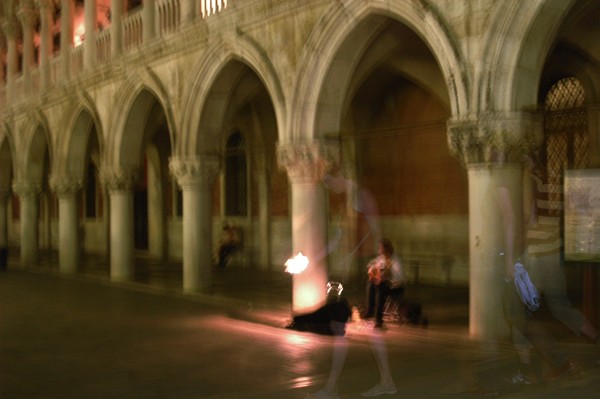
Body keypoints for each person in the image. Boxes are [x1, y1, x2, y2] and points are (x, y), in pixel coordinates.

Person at [362, 238, 405, 328]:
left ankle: (378, 319)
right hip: (385, 284)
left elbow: (399, 278)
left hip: (396, 287)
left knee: (380, 289)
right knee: (370, 283)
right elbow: (372, 263)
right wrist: (372, 268)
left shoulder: (395, 260)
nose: (379, 251)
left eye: (381, 248)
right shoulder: (381, 258)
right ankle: (370, 310)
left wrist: (387, 277)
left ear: (387, 249)